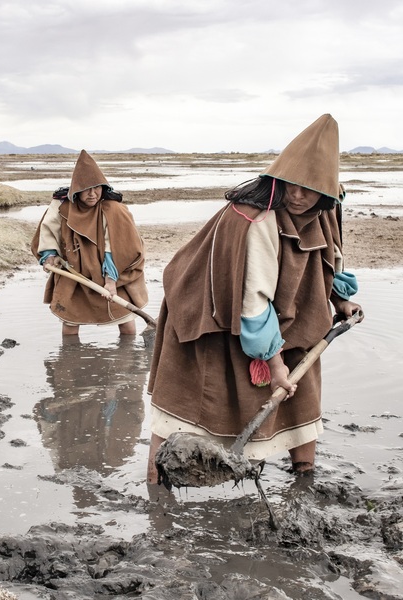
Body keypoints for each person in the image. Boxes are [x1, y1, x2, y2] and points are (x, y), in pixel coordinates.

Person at [146, 114, 363, 482]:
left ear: (326, 192)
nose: (297, 196)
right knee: (191, 402)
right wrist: (275, 366)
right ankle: (156, 486)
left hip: (288, 310)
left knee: (303, 389)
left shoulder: (327, 209)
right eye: (290, 185)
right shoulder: (256, 219)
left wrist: (340, 301)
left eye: (309, 189)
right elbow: (253, 302)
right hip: (211, 313)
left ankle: (304, 479)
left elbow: (330, 260)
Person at [31, 150, 148, 336]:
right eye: (86, 189)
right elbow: (48, 231)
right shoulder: (61, 206)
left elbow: (119, 246)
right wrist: (49, 256)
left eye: (97, 188)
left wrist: (111, 280)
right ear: (76, 189)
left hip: (110, 272)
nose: (93, 194)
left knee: (125, 319)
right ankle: (70, 359)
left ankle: (128, 358)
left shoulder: (114, 209)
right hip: (74, 272)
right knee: (70, 321)